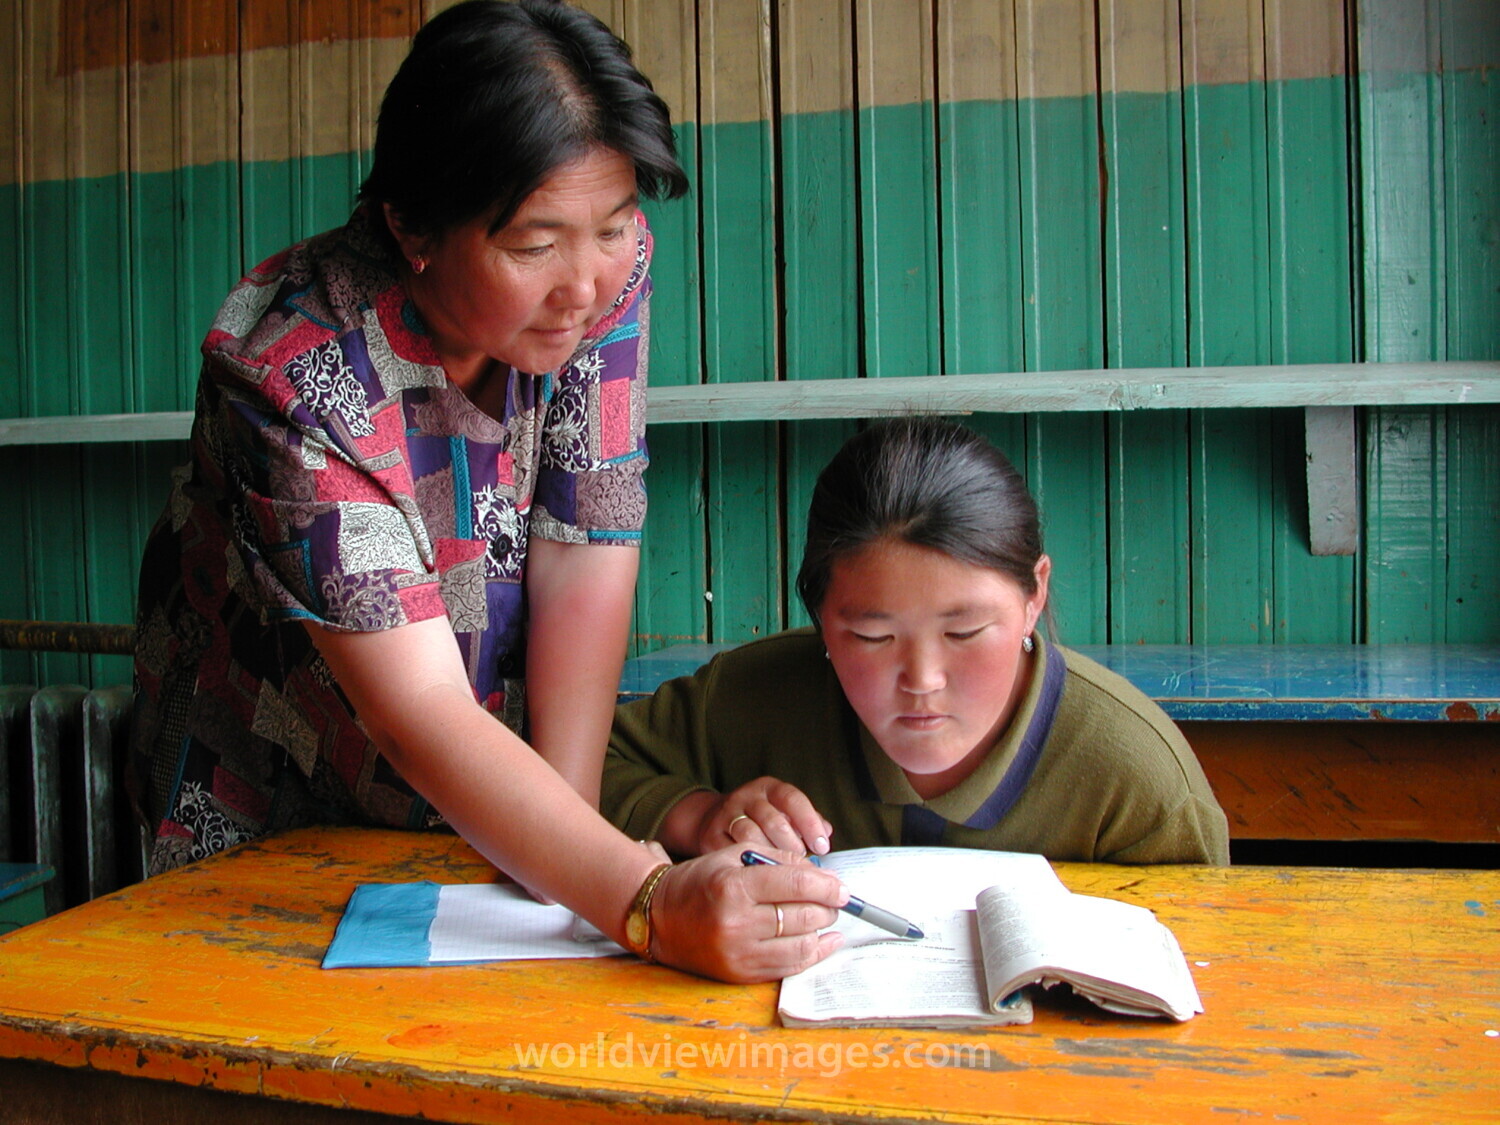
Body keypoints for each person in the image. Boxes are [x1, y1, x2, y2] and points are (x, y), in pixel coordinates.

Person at [127, 0, 845, 983]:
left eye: (615, 224)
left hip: (482, 777)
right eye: (534, 244)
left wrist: (575, 849)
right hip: (277, 781)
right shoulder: (295, 373)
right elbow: (416, 706)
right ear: (412, 226)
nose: (585, 284)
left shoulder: (600, 273)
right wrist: (644, 902)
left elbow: (588, 535)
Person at [602, 417, 1230, 865]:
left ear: (1034, 594)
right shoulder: (752, 699)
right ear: (820, 616)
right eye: (873, 636)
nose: (922, 678)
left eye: (964, 632)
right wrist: (703, 817)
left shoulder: (1136, 782)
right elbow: (569, 772)